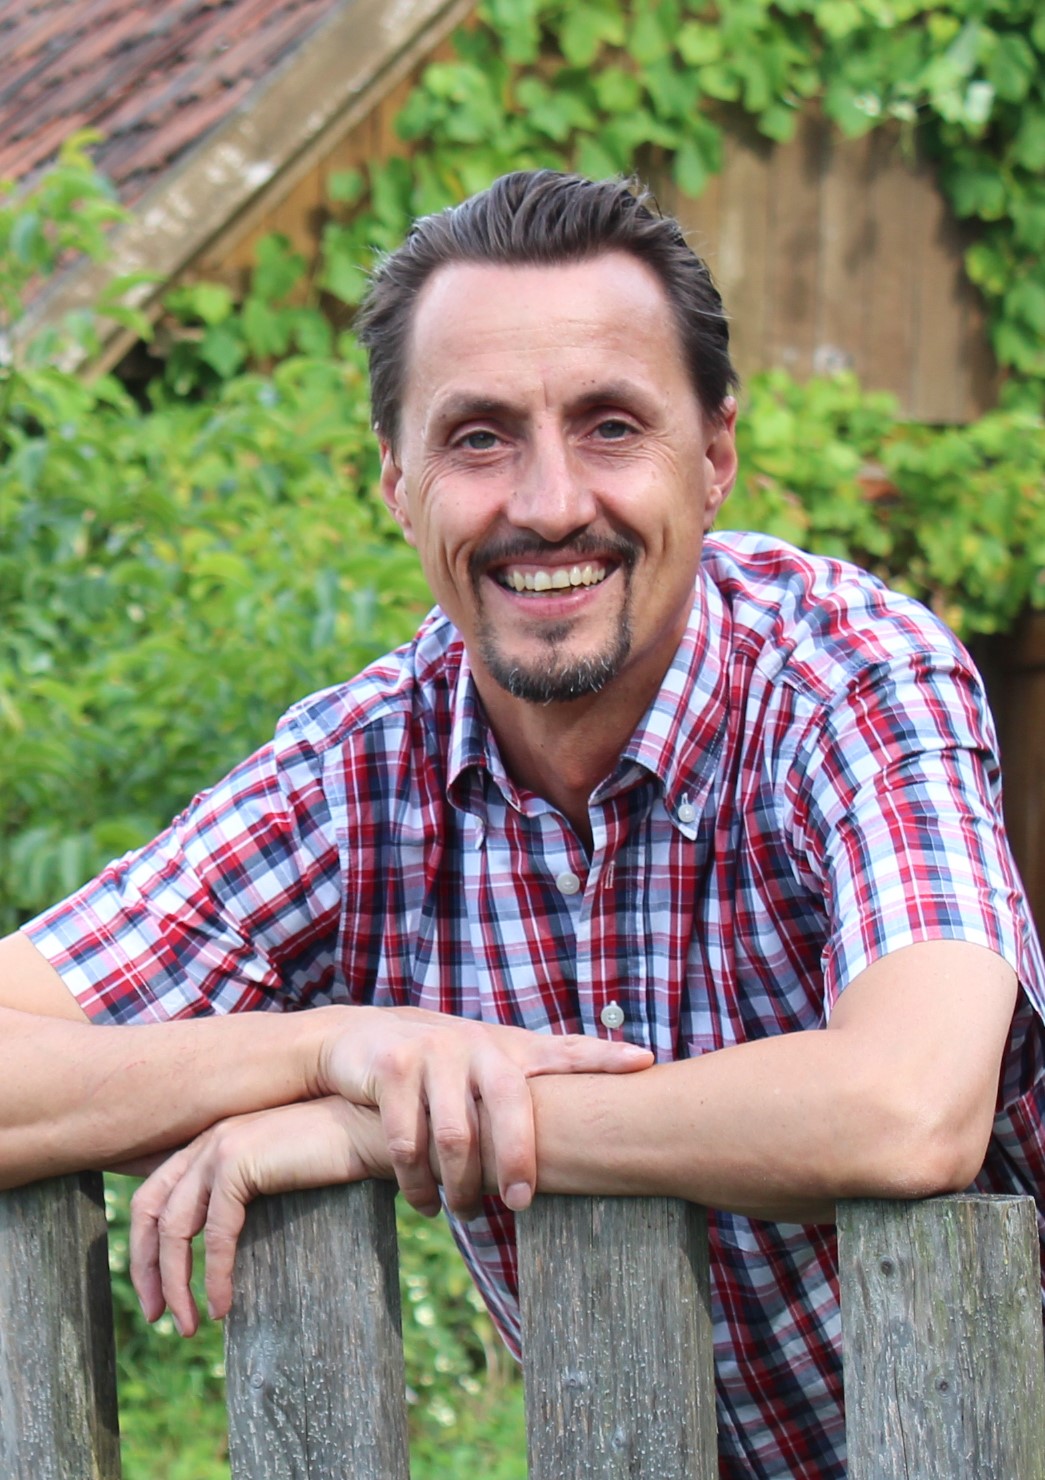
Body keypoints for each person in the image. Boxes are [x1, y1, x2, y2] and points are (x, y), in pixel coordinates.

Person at [1, 170, 1042, 1479]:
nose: (548, 503)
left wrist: (394, 1129)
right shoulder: (358, 775)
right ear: (398, 483)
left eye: (610, 426)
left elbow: (909, 1105)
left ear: (714, 456)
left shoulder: (848, 676)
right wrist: (338, 1047)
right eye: (479, 438)